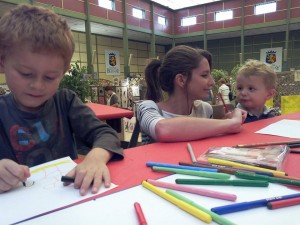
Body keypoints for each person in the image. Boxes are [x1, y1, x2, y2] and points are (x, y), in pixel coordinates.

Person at [0, 4, 123, 195]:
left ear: (63, 72)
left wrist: (95, 158)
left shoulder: (65, 102)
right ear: (2, 62)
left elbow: (105, 134)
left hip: (67, 199)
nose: (38, 85)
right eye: (25, 74)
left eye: (50, 77)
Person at [137, 45, 246, 145]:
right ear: (181, 80)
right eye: (204, 75)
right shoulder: (148, 108)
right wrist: (230, 124)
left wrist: (227, 121)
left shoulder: (205, 109)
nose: (212, 82)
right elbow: (163, 129)